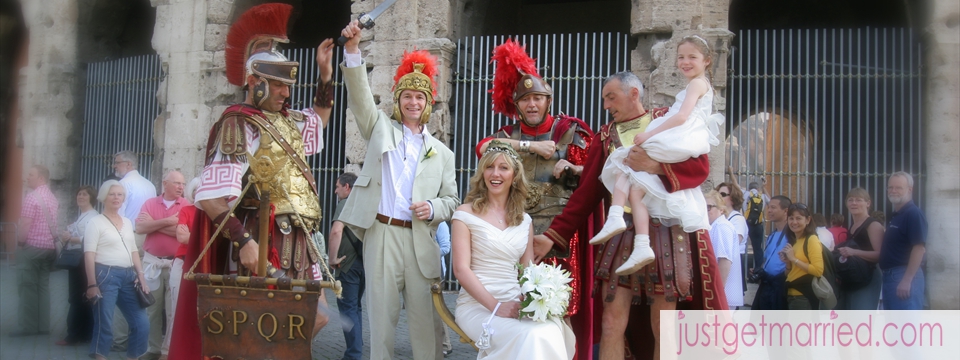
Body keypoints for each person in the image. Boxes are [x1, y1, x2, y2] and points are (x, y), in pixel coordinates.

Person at [168, 4, 336, 358]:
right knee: (258, 333)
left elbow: (319, 118)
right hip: (263, 239)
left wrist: (325, 75)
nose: (285, 94)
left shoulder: (288, 123)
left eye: (287, 85)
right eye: (277, 85)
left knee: (313, 320)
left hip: (300, 242)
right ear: (253, 81)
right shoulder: (238, 124)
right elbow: (211, 199)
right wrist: (244, 242)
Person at [535, 70, 727, 360]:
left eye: (611, 97)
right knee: (611, 322)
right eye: (604, 99)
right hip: (622, 233)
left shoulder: (665, 119)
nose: (606, 105)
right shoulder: (605, 136)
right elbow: (586, 194)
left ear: (633, 94)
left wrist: (656, 167)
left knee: (664, 325)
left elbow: (700, 168)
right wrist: (551, 236)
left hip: (666, 232)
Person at [339, 20, 460, 360]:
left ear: (429, 103)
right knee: (382, 322)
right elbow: (361, 97)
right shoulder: (379, 128)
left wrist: (434, 208)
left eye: (420, 97)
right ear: (397, 100)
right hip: (382, 234)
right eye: (407, 95)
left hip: (421, 239)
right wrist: (352, 49)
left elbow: (452, 201)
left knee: (427, 327)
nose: (413, 102)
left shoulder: (444, 153)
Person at [478, 40, 596, 358]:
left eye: (538, 98)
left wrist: (572, 165)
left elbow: (597, 173)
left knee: (559, 308)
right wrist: (529, 148)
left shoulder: (569, 131)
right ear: (516, 105)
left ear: (548, 101)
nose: (532, 104)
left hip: (558, 235)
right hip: (516, 235)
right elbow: (484, 147)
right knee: (521, 309)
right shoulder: (507, 136)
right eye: (526, 99)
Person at [590, 35, 724, 276]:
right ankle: (629, 230)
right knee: (635, 183)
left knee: (624, 162)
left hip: (678, 140)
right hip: (675, 135)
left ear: (707, 60)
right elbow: (587, 188)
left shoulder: (693, 87)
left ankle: (617, 218)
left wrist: (650, 135)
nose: (684, 62)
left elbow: (683, 121)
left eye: (691, 57)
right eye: (681, 57)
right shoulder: (605, 134)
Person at [452, 142, 575, 359]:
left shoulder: (524, 220)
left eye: (503, 168)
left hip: (513, 300)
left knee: (548, 329)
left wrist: (537, 300)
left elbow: (528, 272)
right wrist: (496, 306)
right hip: (478, 305)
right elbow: (461, 270)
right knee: (529, 335)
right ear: (482, 173)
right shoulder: (465, 214)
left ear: (515, 175)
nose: (495, 173)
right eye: (489, 167)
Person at [83, 180, 150, 359]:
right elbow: (89, 255)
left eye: (120, 194)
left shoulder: (128, 222)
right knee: (105, 323)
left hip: (129, 276)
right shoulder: (95, 222)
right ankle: (100, 356)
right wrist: (91, 284)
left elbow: (134, 250)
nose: (116, 198)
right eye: (112, 194)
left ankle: (133, 356)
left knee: (141, 323)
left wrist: (141, 276)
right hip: (105, 275)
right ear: (104, 197)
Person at [134, 170, 187, 359]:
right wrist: (166, 222)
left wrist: (154, 224)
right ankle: (153, 349)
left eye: (183, 184)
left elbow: (182, 233)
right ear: (165, 184)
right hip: (152, 263)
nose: (181, 187)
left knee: (173, 310)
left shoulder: (186, 206)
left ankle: (168, 351)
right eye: (177, 183)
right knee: (152, 310)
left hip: (175, 264)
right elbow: (140, 228)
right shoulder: (150, 203)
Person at [110, 150, 156, 352]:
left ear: (128, 165)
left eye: (117, 163)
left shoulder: (122, 186)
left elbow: (116, 216)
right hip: (147, 238)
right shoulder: (149, 185)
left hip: (127, 238)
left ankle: (119, 339)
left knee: (121, 286)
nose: (114, 167)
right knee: (142, 286)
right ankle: (139, 337)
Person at [12, 165, 59, 337]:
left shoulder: (32, 197)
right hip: (48, 249)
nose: (27, 177)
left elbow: (25, 224)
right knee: (43, 287)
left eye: (31, 175)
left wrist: (20, 243)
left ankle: (28, 327)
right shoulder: (52, 198)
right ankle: (44, 326)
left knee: (27, 287)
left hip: (31, 248)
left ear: (41, 178)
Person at [327, 172, 365, 360]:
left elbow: (336, 231)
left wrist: (332, 259)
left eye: (337, 186)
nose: (335, 191)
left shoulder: (345, 204)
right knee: (355, 307)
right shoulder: (363, 204)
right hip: (362, 263)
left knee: (347, 309)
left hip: (347, 263)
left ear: (347, 187)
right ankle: (357, 346)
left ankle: (353, 355)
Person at [56, 186, 99, 346]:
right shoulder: (83, 216)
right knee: (82, 296)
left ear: (91, 198)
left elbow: (89, 238)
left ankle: (73, 334)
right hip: (79, 259)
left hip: (81, 259)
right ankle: (84, 332)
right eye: (79, 194)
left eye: (84, 194)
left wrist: (70, 238)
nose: (80, 197)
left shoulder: (92, 217)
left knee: (76, 297)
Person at [879, 172, 927, 310]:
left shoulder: (913, 213)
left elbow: (919, 248)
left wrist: (907, 280)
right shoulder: (898, 215)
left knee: (906, 328)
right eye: (890, 187)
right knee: (895, 328)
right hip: (891, 277)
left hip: (904, 276)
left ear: (910, 189)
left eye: (898, 187)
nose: (893, 191)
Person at [836, 187, 883, 310]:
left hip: (868, 277)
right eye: (850, 200)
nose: (854, 203)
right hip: (853, 278)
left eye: (858, 200)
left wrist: (853, 252)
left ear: (868, 203)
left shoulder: (873, 225)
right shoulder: (852, 226)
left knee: (861, 321)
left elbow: (880, 254)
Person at [780, 203, 825, 310]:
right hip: (791, 294)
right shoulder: (795, 242)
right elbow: (790, 273)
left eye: (798, 218)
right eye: (791, 218)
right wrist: (787, 262)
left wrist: (794, 259)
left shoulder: (812, 239)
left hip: (803, 296)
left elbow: (818, 270)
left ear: (808, 220)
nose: (794, 222)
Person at [750, 195, 791, 310]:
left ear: (785, 211)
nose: (769, 211)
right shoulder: (772, 235)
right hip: (766, 285)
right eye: (769, 207)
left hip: (780, 286)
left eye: (773, 207)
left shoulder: (791, 235)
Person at [705, 190, 742, 309]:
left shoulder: (722, 226)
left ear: (721, 209)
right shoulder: (715, 226)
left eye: (709, 207)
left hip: (723, 295)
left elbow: (724, 261)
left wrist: (716, 293)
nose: (705, 211)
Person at [717, 182, 749, 298]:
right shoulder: (721, 218)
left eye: (723, 194)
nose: (719, 197)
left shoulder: (737, 219)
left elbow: (733, 243)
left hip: (733, 264)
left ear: (733, 198)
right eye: (718, 194)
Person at [434, 221, 453, 356]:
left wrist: (424, 253)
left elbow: (446, 247)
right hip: (419, 269)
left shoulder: (441, 224)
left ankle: (446, 344)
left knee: (437, 308)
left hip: (436, 271)